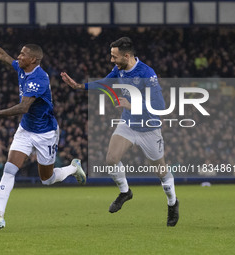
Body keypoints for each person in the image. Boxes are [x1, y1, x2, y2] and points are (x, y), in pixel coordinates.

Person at [0, 20, 86, 229]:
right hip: (26, 130)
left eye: (22, 55)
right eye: (19, 54)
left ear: (33, 59)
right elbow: (2, 55)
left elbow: (24, 107)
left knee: (46, 180)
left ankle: (72, 168)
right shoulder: (23, 69)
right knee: (9, 169)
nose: (18, 57)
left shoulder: (39, 79)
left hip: (45, 133)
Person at [61, 37, 179, 227]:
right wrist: (79, 86)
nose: (111, 61)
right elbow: (106, 83)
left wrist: (131, 105)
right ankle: (125, 192)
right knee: (111, 159)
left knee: (161, 171)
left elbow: (159, 106)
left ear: (127, 56)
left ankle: (172, 203)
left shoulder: (147, 73)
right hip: (128, 124)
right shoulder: (119, 69)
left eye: (114, 57)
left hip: (149, 128)